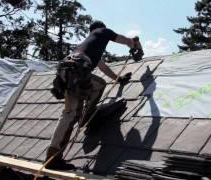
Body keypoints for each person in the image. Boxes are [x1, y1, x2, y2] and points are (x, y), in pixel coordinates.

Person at [45, 20, 143, 170]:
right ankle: (86, 117)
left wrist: (118, 79)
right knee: (79, 108)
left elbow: (103, 68)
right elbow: (125, 40)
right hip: (77, 70)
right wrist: (134, 43)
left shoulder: (88, 47)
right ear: (100, 28)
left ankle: (51, 156)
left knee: (69, 114)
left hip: (66, 71)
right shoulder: (102, 31)